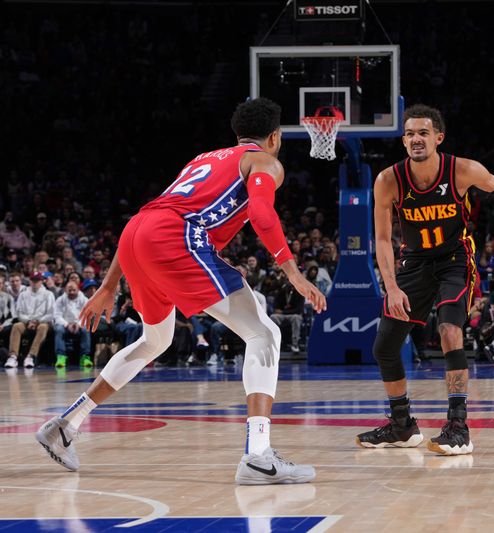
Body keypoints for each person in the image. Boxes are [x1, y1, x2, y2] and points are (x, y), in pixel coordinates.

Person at [35, 98, 327, 485]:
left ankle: (66, 424)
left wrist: (109, 285)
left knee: (154, 341)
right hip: (175, 239)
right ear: (274, 137)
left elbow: (152, 215)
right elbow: (260, 213)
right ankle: (259, 455)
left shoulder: (203, 158)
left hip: (138, 234)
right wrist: (293, 272)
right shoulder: (265, 162)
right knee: (265, 333)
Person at [357, 104, 494, 455]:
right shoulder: (388, 180)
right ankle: (403, 426)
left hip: (454, 259)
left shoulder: (462, 170)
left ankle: (459, 425)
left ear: (438, 137)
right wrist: (391, 286)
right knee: (384, 347)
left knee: (449, 330)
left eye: (422, 133)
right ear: (403, 140)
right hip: (414, 262)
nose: (416, 139)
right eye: (410, 134)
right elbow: (384, 240)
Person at [5, 272, 54, 368]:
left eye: (37, 281)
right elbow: (19, 312)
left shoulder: (49, 294)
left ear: (42, 281)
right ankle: (13, 356)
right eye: (33, 280)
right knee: (16, 326)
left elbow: (50, 314)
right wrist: (28, 321)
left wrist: (37, 321)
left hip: (42, 322)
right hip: (26, 322)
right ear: (30, 281)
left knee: (43, 327)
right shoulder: (23, 294)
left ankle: (31, 356)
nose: (35, 283)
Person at [53, 281, 92, 368]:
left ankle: (85, 357)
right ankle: (61, 357)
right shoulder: (60, 300)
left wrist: (78, 324)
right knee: (58, 329)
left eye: (74, 290)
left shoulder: (84, 300)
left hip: (79, 324)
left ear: (78, 290)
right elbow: (57, 316)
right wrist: (67, 325)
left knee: (86, 329)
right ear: (65, 290)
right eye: (69, 290)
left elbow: (87, 315)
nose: (72, 292)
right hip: (65, 324)